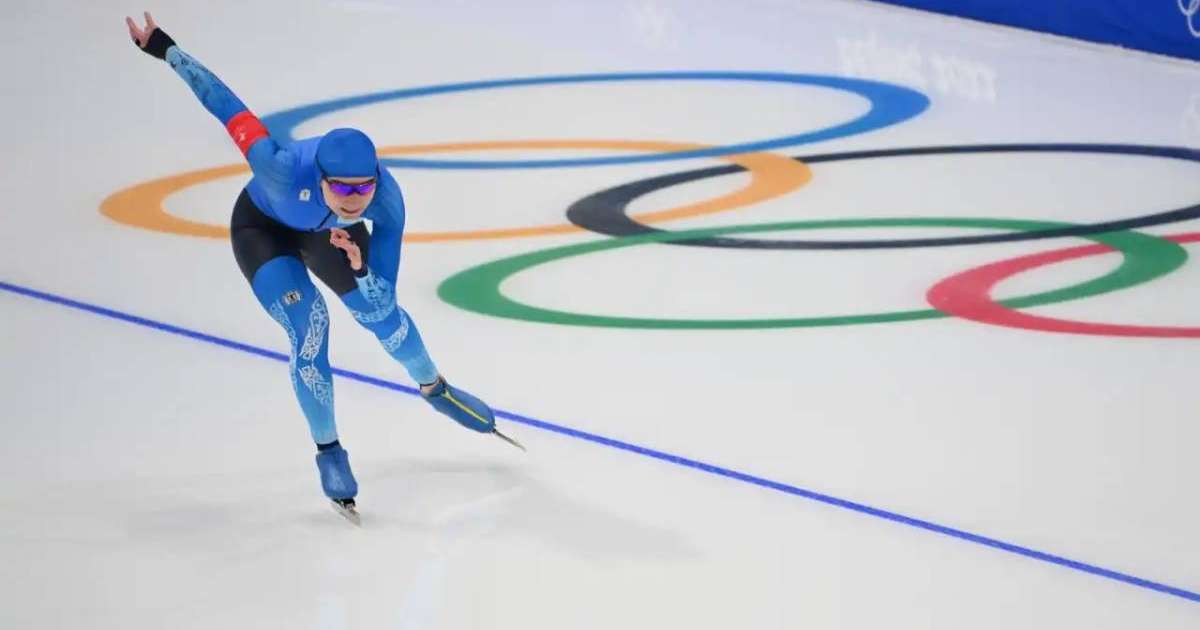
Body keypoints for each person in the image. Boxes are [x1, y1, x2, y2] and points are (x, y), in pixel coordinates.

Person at [125, 12, 520, 522]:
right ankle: (330, 451)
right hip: (261, 231)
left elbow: (384, 300)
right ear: (322, 178)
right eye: (344, 189)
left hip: (329, 239)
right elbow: (225, 104)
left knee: (382, 320)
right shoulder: (279, 166)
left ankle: (435, 388)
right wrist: (164, 47)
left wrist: (361, 268)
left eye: (365, 188)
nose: (356, 200)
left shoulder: (386, 202)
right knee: (309, 326)